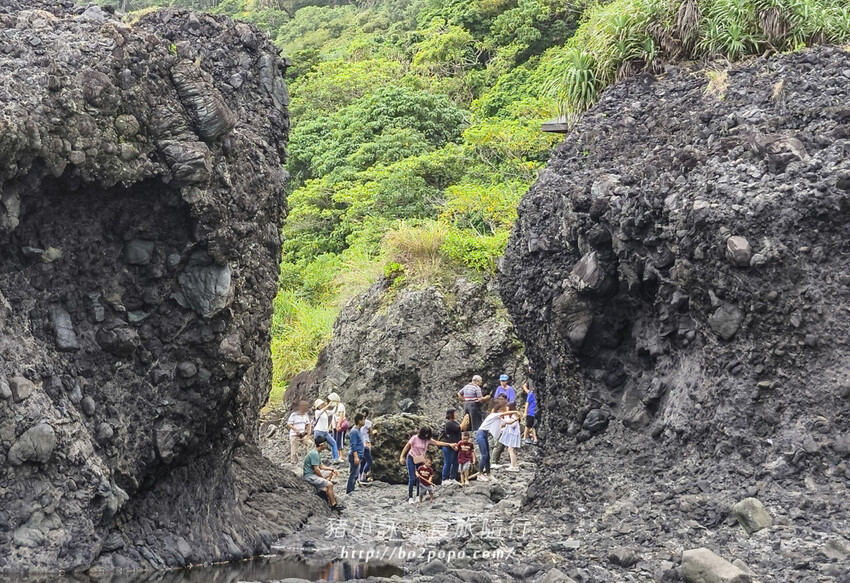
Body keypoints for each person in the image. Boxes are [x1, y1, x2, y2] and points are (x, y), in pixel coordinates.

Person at [399, 426, 457, 504]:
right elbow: (407, 447)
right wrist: (402, 457)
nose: (426, 436)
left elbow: (437, 442)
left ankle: (418, 496)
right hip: (411, 458)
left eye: (428, 434)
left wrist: (449, 444)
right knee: (412, 478)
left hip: (420, 459)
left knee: (420, 478)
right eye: (425, 434)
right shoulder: (414, 438)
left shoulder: (428, 440)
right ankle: (410, 497)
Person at [303, 435, 343, 511]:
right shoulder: (314, 454)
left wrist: (332, 469)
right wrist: (322, 478)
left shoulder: (316, 452)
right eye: (325, 444)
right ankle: (333, 504)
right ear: (321, 445)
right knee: (330, 484)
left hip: (313, 473)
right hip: (310, 476)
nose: (326, 445)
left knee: (330, 473)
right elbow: (316, 469)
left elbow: (320, 466)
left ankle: (323, 489)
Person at [475, 402, 506, 481]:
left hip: (484, 434)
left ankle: (488, 473)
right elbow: (506, 413)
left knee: (488, 455)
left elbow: (507, 422)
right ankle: (480, 473)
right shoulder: (493, 415)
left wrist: (515, 419)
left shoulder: (498, 419)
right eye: (501, 410)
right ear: (498, 410)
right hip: (480, 434)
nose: (503, 412)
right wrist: (515, 412)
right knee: (484, 455)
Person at [287, 400, 313, 465]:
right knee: (294, 450)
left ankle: (309, 460)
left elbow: (308, 424)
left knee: (311, 444)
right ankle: (294, 463)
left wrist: (308, 435)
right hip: (294, 435)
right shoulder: (294, 415)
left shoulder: (305, 415)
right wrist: (295, 430)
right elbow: (289, 424)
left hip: (303, 434)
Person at [346, 413, 366, 494]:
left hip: (359, 455)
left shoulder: (358, 430)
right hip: (355, 455)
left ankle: (352, 489)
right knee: (353, 474)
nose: (364, 421)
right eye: (363, 419)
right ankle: (350, 491)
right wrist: (356, 457)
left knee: (356, 473)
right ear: (359, 421)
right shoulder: (354, 431)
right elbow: (353, 445)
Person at [498, 403, 522, 472]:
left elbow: (513, 425)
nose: (506, 408)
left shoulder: (513, 415)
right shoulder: (512, 415)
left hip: (513, 434)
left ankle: (513, 466)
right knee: (511, 450)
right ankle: (514, 465)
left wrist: (507, 419)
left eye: (507, 406)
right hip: (512, 434)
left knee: (511, 449)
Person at [441, 409, 461, 482]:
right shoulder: (449, 423)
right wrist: (466, 418)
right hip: (448, 446)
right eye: (455, 413)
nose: (456, 414)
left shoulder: (455, 422)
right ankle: (444, 479)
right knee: (448, 462)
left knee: (455, 462)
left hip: (455, 446)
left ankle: (452, 477)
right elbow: (459, 428)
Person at [328, 392, 348, 457]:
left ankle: (341, 456)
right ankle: (338, 455)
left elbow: (341, 416)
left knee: (340, 440)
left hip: (339, 425)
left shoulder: (341, 406)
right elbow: (333, 415)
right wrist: (330, 426)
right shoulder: (336, 407)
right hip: (335, 426)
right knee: (336, 440)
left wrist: (339, 425)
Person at [358, 409, 374, 484]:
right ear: (368, 414)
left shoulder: (358, 423)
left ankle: (359, 476)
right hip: (366, 443)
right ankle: (363, 477)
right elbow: (371, 433)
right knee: (369, 461)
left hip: (360, 443)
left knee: (363, 461)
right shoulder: (367, 422)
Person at [523, 378, 538, 445]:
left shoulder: (537, 395)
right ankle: (525, 437)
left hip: (535, 412)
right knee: (528, 425)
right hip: (530, 412)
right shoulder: (531, 394)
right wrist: (525, 412)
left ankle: (535, 439)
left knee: (533, 426)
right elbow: (527, 403)